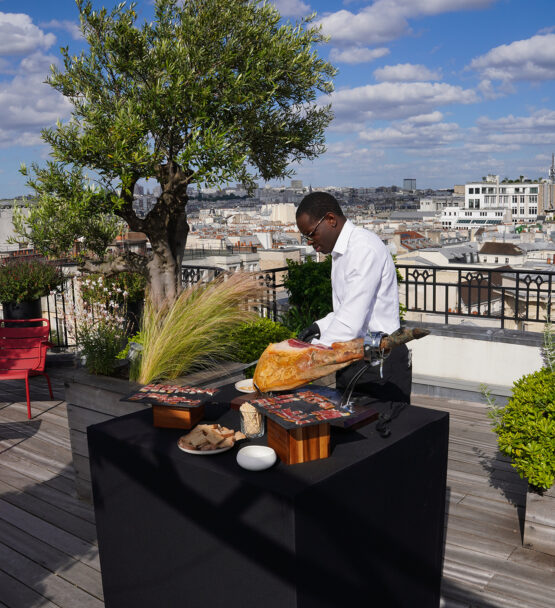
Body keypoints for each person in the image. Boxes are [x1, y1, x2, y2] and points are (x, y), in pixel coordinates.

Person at [295, 191, 411, 404]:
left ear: (330, 220)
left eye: (311, 234)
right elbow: (346, 309)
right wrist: (318, 327)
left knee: (381, 432)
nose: (310, 243)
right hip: (358, 359)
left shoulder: (362, 248)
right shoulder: (341, 251)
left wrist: (309, 357)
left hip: (380, 364)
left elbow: (350, 322)